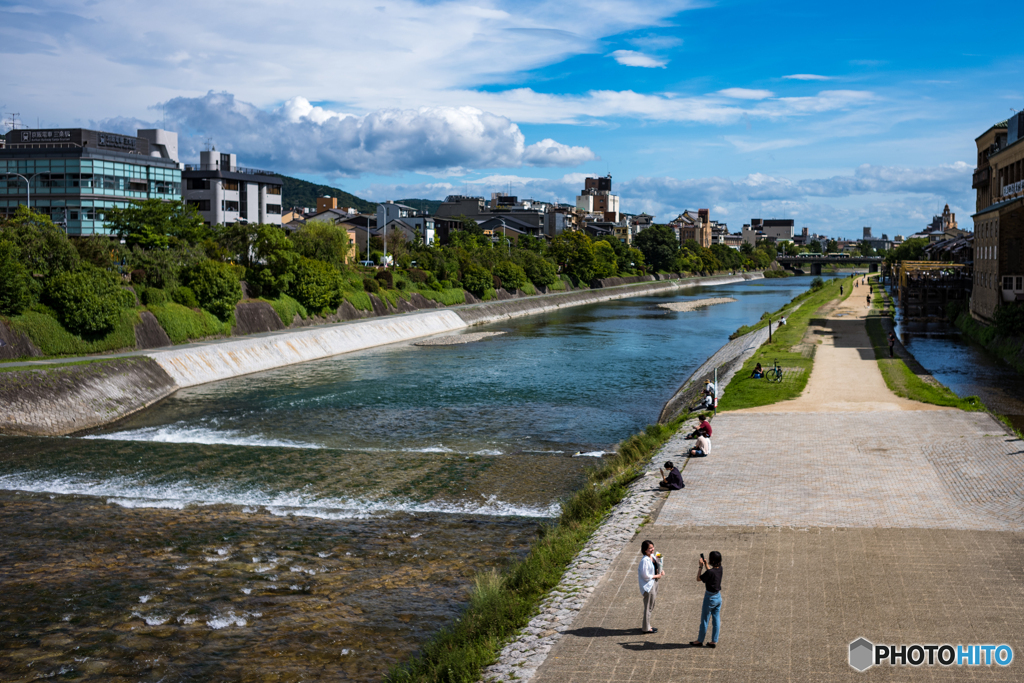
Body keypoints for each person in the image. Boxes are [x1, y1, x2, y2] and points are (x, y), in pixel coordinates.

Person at [690, 551, 723, 648]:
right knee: (716, 619)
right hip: (718, 597)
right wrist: (706, 565)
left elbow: (699, 578)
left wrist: (700, 567)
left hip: (709, 598)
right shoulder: (720, 569)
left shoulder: (709, 572)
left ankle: (700, 641)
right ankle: (714, 641)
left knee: (705, 620)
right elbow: (711, 573)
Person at [638, 540, 665, 634]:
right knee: (648, 606)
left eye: (652, 547)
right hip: (649, 586)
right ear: (645, 550)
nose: (652, 549)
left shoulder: (653, 556)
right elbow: (645, 575)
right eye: (650, 548)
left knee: (651, 605)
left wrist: (661, 570)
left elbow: (656, 565)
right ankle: (646, 628)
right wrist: (657, 576)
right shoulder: (644, 561)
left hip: (654, 583)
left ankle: (648, 625)